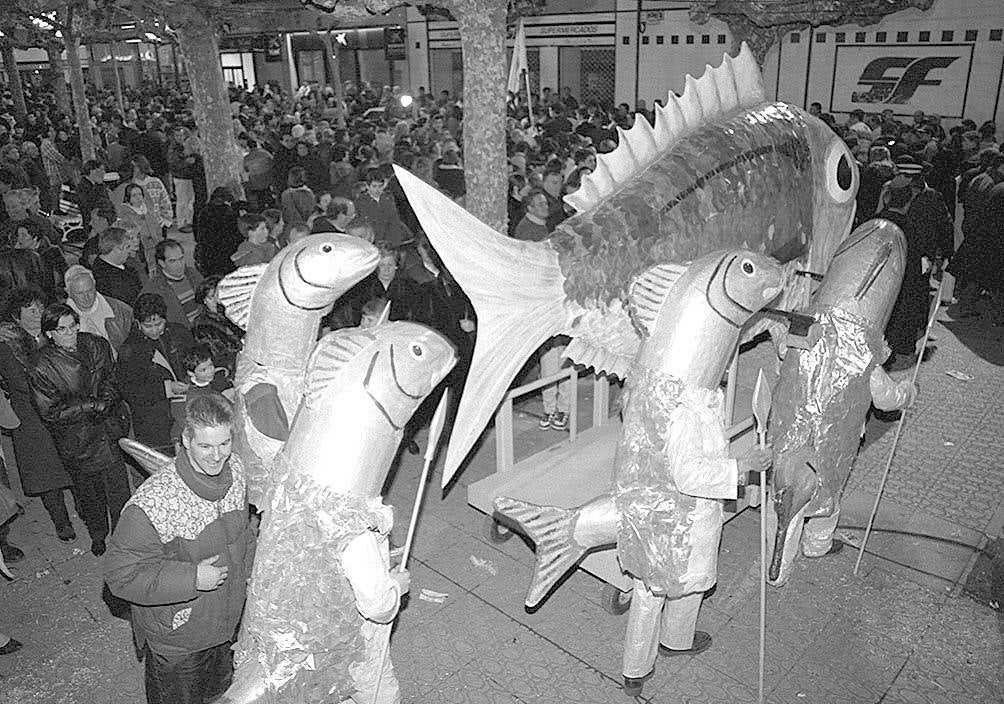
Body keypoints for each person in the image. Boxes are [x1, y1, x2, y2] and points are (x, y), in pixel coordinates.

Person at [104, 393, 254, 704]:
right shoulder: (153, 504)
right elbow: (120, 577)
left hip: (225, 627)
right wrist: (192, 578)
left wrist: (252, 577)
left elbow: (243, 536)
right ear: (186, 439)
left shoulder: (236, 471)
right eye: (205, 446)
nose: (217, 456)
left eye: (224, 443)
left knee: (218, 696)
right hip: (179, 641)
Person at [31, 302, 131, 556]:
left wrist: (107, 400)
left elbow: (111, 377)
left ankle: (124, 535)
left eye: (73, 325)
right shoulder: (41, 365)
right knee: (90, 496)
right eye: (62, 329)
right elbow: (50, 411)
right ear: (49, 334)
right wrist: (88, 405)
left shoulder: (96, 345)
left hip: (107, 430)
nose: (69, 333)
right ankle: (98, 534)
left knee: (119, 489)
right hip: (78, 439)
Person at [0, 289, 74, 542]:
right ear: (16, 316)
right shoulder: (8, 344)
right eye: (29, 309)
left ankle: (84, 507)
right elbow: (20, 382)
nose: (37, 313)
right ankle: (61, 520)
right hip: (32, 415)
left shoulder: (53, 333)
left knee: (73, 461)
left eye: (40, 307)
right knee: (46, 472)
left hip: (61, 407)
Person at [116, 293, 193, 451]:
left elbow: (196, 359)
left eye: (159, 324)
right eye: (148, 326)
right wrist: (167, 388)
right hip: (155, 423)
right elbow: (129, 391)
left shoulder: (180, 333)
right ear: (137, 323)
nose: (154, 330)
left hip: (187, 411)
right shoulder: (130, 350)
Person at [64, 265, 133, 358]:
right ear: (68, 292)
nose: (86, 297)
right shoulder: (61, 318)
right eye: (80, 293)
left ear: (95, 285)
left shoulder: (120, 310)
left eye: (90, 290)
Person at [142, 239, 205, 328]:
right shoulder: (154, 289)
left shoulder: (194, 275)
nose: (179, 265)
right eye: (172, 261)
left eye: (181, 258)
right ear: (162, 263)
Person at [191, 276, 244, 375]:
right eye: (212, 297)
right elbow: (215, 354)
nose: (217, 301)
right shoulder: (201, 325)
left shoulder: (235, 311)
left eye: (219, 296)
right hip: (232, 369)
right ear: (204, 300)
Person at [196, 187, 243, 277]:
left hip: (208, 256)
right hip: (226, 255)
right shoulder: (228, 212)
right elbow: (236, 234)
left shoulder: (204, 211)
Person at [92, 226, 144, 306]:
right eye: (127, 247)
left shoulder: (128, 266)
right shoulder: (104, 277)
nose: (130, 251)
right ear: (116, 249)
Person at [116, 183, 162, 272]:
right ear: (128, 198)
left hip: (154, 248)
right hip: (139, 252)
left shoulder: (148, 211)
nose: (138, 198)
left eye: (140, 194)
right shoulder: (124, 214)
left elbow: (157, 228)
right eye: (134, 195)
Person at [279, 166, 316, 242]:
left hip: (292, 228)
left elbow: (287, 213)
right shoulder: (309, 193)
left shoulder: (286, 194)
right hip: (307, 226)